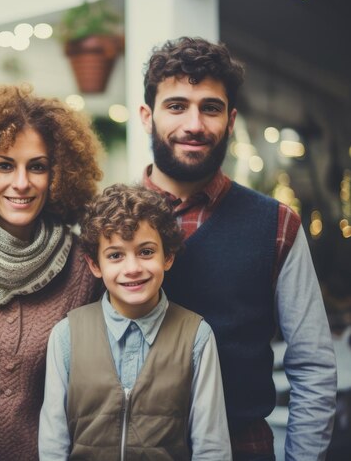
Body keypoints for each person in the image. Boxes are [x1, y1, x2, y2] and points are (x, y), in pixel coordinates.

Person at [139, 36, 337, 460]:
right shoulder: (103, 224)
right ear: (146, 116)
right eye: (176, 106)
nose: (194, 124)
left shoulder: (277, 225)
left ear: (230, 121)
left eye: (209, 108)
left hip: (242, 446)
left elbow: (314, 369)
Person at [0, 84, 103, 461]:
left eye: (38, 166)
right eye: (4, 165)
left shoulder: (85, 267)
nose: (22, 183)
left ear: (61, 173)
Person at [39, 183, 231, 460]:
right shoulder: (67, 335)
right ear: (95, 265)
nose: (132, 269)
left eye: (146, 252)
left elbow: (211, 447)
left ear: (168, 257)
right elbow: (53, 445)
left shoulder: (197, 336)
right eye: (115, 255)